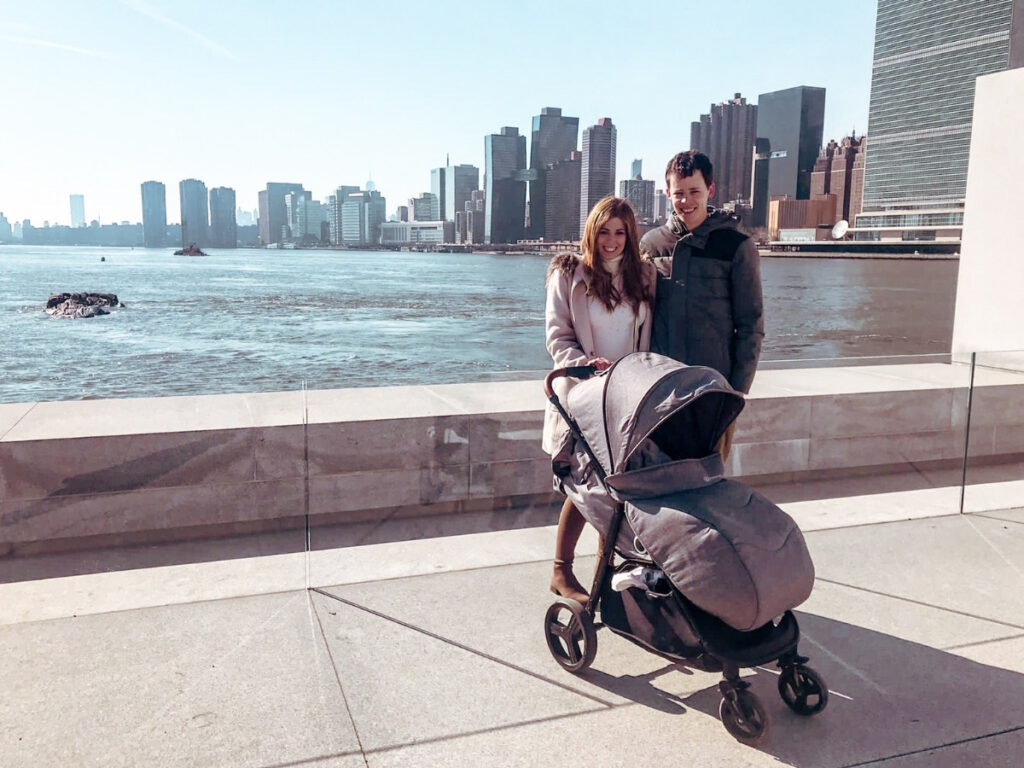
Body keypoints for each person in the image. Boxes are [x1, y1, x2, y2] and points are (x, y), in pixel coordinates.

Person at [542, 196, 656, 604]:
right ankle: (561, 571)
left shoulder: (643, 276)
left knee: (618, 489)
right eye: (604, 231)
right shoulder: (569, 273)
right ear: (592, 232)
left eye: (620, 232)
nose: (611, 241)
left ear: (630, 234)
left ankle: (603, 577)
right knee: (585, 486)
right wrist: (586, 366)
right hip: (583, 395)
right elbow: (558, 336)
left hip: (626, 397)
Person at [640, 151, 764, 459]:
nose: (686, 201)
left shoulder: (737, 246)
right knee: (657, 475)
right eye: (679, 193)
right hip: (659, 388)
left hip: (714, 389)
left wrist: (737, 389)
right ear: (667, 193)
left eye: (694, 191)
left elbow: (751, 323)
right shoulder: (651, 245)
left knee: (707, 476)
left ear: (710, 190)